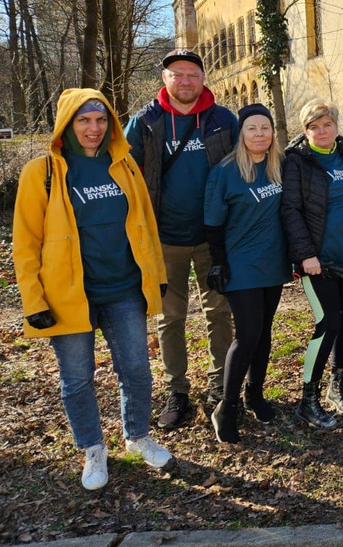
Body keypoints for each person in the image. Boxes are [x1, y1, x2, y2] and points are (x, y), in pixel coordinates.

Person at [13, 88, 173, 490]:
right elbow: (26, 242)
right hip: (69, 297)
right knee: (77, 378)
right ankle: (92, 447)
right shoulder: (43, 172)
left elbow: (145, 225)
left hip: (123, 290)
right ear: (68, 124)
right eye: (84, 120)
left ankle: (137, 437)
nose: (93, 128)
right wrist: (34, 300)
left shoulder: (125, 167)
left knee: (136, 370)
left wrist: (156, 274)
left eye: (101, 120)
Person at [125, 48, 236, 430]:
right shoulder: (146, 121)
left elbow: (249, 162)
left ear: (203, 78)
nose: (186, 81)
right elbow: (122, 173)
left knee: (218, 312)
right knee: (169, 318)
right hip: (163, 237)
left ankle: (219, 385)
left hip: (212, 236)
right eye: (178, 74)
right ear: (165, 79)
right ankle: (178, 390)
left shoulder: (223, 120)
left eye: (193, 73)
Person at [203, 104, 291, 443]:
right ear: (241, 133)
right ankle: (227, 406)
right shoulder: (225, 172)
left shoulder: (280, 165)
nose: (259, 134)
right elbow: (212, 224)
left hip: (273, 262)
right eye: (252, 128)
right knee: (248, 334)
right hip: (241, 264)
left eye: (265, 128)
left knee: (265, 331)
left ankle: (256, 394)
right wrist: (218, 262)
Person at [280, 99, 343, 430]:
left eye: (327, 124)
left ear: (336, 126)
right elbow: (290, 210)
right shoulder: (297, 161)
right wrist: (305, 255)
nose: (322, 130)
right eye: (314, 126)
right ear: (305, 130)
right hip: (318, 260)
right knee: (327, 322)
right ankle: (307, 399)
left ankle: (336, 386)